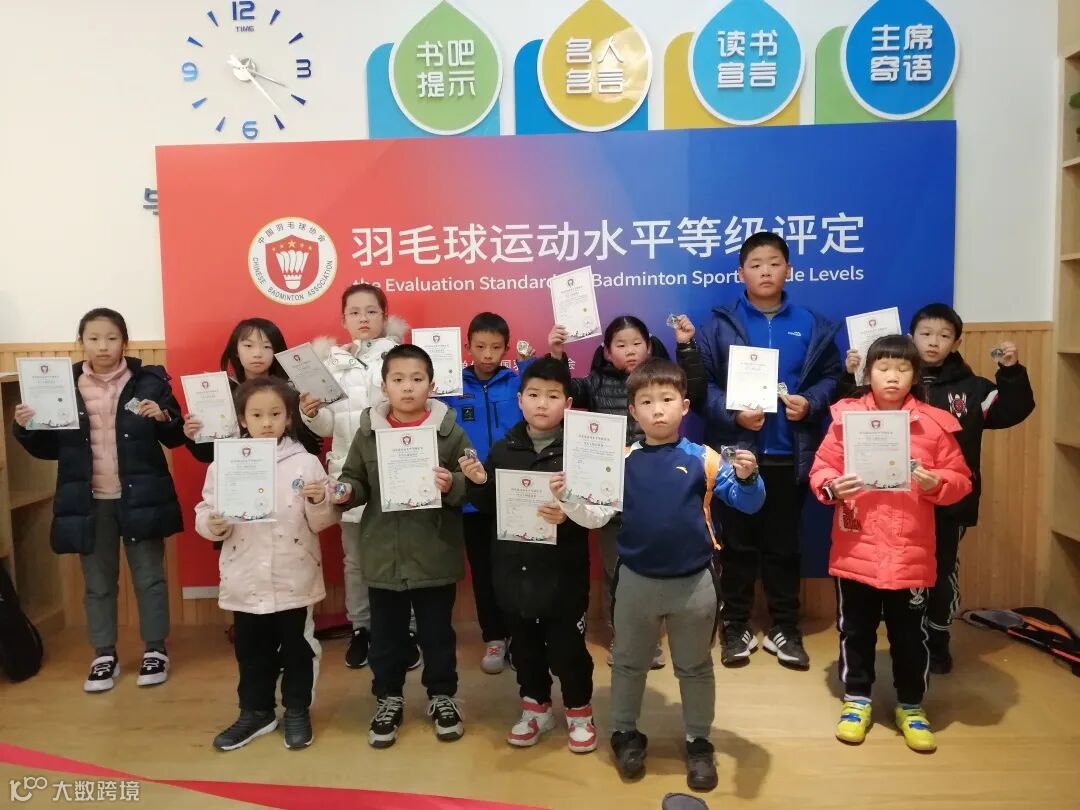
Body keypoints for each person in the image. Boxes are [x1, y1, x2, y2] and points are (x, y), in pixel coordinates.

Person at [603, 358, 765, 791]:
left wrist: (749, 477)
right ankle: (624, 733)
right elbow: (593, 510)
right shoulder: (619, 461)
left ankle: (698, 742)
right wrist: (569, 494)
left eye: (667, 399)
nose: (657, 409)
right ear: (632, 411)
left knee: (694, 667)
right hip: (635, 581)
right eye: (646, 402)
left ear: (685, 406)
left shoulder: (705, 459)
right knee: (628, 663)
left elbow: (747, 503)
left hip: (694, 584)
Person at [810, 335, 972, 753]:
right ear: (868, 373)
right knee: (854, 630)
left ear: (915, 376)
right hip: (856, 549)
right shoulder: (845, 418)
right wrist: (832, 487)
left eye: (902, 368)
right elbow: (821, 469)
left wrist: (936, 482)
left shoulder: (934, 424)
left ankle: (911, 705)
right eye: (883, 367)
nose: (892, 376)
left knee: (909, 635)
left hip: (909, 552)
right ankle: (856, 699)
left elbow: (961, 480)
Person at [14, 308, 185, 692]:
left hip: (141, 496)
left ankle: (155, 650)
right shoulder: (62, 384)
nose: (103, 346)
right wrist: (26, 427)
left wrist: (164, 417)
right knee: (98, 582)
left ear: (125, 341)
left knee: (150, 578)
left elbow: (175, 437)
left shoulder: (149, 381)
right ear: (81, 342)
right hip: (89, 500)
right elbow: (48, 449)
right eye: (93, 338)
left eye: (111, 338)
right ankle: (104, 654)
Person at [696, 232, 841, 670]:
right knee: (736, 545)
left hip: (789, 454)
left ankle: (785, 628)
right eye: (755, 264)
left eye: (774, 263)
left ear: (788, 270)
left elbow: (832, 377)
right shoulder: (718, 325)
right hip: (737, 454)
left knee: (784, 547)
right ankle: (735, 625)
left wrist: (810, 403)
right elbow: (700, 388)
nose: (765, 271)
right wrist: (735, 415)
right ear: (741, 272)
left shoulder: (812, 323)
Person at [465, 357, 612, 753]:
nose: (541, 403)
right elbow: (489, 505)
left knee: (568, 651)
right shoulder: (503, 449)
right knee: (526, 650)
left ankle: (579, 712)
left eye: (552, 396)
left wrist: (568, 514)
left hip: (563, 576)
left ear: (568, 403)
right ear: (519, 400)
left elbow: (595, 509)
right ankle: (535, 709)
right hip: (513, 572)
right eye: (533, 395)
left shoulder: (580, 452)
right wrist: (478, 482)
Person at [334, 344, 475, 748]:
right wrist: (346, 491)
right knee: (386, 636)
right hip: (384, 554)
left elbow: (471, 480)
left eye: (417, 379)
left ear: (432, 385)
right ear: (384, 386)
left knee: (437, 634)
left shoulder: (450, 431)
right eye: (398, 379)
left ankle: (442, 695)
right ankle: (388, 698)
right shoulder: (368, 432)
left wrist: (453, 484)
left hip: (434, 551)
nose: (408, 387)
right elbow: (354, 479)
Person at [195, 377, 338, 751]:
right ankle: (256, 712)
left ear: (288, 417)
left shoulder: (305, 463)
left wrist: (318, 501)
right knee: (251, 651)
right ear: (243, 419)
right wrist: (212, 524)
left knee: (297, 649)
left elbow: (323, 521)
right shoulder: (225, 463)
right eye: (256, 415)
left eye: (275, 414)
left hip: (294, 575)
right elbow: (206, 510)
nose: (266, 422)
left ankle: (297, 709)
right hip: (245, 576)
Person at [298, 283, 417, 671]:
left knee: (403, 554)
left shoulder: (400, 359)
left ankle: (407, 630)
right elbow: (328, 425)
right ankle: (362, 628)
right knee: (355, 560)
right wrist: (311, 413)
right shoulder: (329, 364)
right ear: (343, 319)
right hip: (348, 472)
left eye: (371, 311)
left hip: (397, 470)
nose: (363, 318)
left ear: (385, 316)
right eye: (354, 312)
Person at [443, 311, 534, 674]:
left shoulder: (517, 383)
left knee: (519, 569)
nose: (487, 354)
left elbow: (543, 409)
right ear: (467, 346)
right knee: (482, 571)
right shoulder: (451, 387)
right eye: (480, 346)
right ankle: (494, 637)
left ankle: (522, 637)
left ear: (506, 348)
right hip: (473, 497)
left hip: (515, 493)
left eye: (495, 347)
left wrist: (531, 365)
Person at [182, 317, 322, 462]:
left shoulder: (293, 392)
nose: (257, 354)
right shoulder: (221, 393)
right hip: (238, 471)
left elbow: (313, 448)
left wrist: (307, 417)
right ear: (236, 350)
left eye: (267, 347)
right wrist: (194, 436)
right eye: (248, 346)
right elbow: (207, 456)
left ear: (276, 351)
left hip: (288, 472)